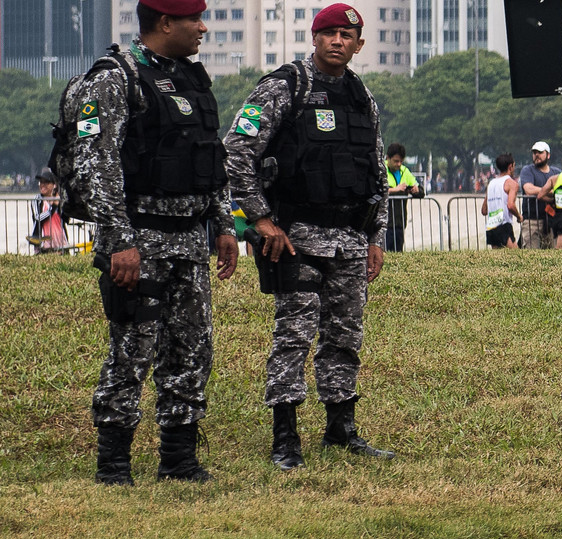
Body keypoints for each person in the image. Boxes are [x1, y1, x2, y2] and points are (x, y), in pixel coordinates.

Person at [223, 2, 394, 471]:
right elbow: (237, 150)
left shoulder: (362, 97)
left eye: (347, 36)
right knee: (294, 336)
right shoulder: (284, 87)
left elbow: (376, 174)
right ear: (314, 38)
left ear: (359, 45)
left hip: (350, 242)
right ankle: (285, 438)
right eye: (330, 33)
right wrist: (260, 219)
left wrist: (377, 237)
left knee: (344, 336)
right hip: (295, 238)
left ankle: (341, 429)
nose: (339, 41)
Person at [76, 0, 238, 486]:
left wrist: (224, 224)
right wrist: (120, 241)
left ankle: (179, 459)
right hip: (139, 240)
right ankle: (113, 464)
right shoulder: (114, 77)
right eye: (195, 20)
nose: (203, 27)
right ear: (166, 22)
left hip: (190, 241)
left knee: (193, 348)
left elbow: (211, 157)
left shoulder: (193, 77)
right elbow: (96, 166)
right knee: (132, 348)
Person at [518, 141, 560, 249]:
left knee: (554, 255)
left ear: (548, 155)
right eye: (534, 152)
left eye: (540, 152)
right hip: (532, 220)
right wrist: (548, 191)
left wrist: (542, 194)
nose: (537, 155)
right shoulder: (527, 170)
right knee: (531, 255)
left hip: (552, 220)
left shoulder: (556, 172)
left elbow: (561, 191)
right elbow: (528, 189)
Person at [384, 142, 423, 252]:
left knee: (398, 254)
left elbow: (421, 191)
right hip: (384, 224)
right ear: (388, 158)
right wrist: (394, 189)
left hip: (400, 223)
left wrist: (416, 191)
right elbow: (375, 191)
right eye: (396, 161)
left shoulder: (404, 171)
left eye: (401, 161)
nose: (399, 164)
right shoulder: (381, 170)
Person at [481, 153, 521, 249]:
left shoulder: (491, 183)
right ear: (510, 166)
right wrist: (519, 216)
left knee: (498, 260)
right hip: (503, 225)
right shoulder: (512, 183)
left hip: (491, 227)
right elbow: (510, 205)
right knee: (516, 258)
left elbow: (484, 211)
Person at [29, 167, 67, 253]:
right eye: (41, 182)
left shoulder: (59, 199)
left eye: (46, 182)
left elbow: (65, 218)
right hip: (43, 243)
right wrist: (53, 207)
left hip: (60, 242)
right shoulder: (37, 200)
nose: (43, 185)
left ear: (54, 185)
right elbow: (38, 218)